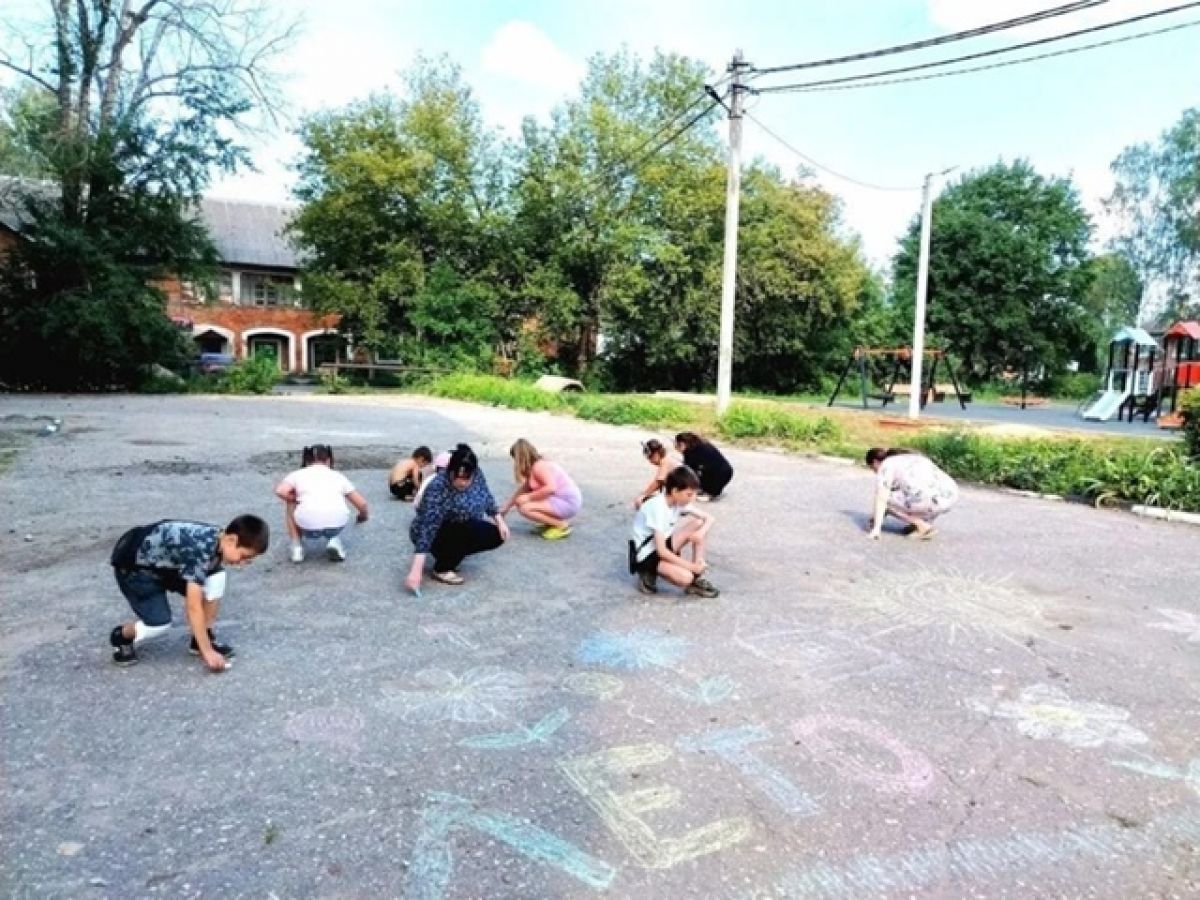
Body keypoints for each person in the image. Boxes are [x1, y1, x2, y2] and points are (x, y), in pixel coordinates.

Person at [107, 515, 270, 670]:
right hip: (135, 569)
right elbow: (193, 606)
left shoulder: (217, 539)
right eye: (243, 556)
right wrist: (208, 653)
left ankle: (201, 638)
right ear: (231, 539)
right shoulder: (200, 550)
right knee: (159, 624)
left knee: (217, 576)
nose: (242, 564)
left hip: (165, 564)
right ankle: (121, 636)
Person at [405, 443, 509, 589]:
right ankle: (442, 568)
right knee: (460, 532)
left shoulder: (477, 474)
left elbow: (486, 497)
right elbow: (427, 527)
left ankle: (451, 554)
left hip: (462, 524)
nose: (461, 482)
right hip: (437, 529)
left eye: (466, 478)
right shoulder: (438, 487)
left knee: (496, 535)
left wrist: (499, 520)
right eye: (457, 477)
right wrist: (416, 571)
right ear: (450, 471)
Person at [630, 465, 720, 599]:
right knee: (685, 577)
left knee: (699, 524)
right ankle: (647, 572)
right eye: (689, 494)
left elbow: (709, 518)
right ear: (675, 491)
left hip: (661, 544)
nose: (693, 498)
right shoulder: (658, 507)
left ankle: (695, 580)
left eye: (695, 494)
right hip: (647, 555)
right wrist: (691, 567)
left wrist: (700, 534)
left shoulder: (677, 501)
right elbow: (662, 552)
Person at [274, 444, 369, 563]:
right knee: (334, 501)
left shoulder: (297, 474)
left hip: (307, 526)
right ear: (328, 460)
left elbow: (280, 491)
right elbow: (362, 504)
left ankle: (296, 546)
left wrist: (294, 498)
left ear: (307, 461)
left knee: (290, 502)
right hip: (336, 525)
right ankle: (334, 541)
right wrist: (363, 516)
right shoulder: (338, 476)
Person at [864, 447, 959, 541]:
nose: (875, 472)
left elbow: (881, 498)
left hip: (930, 499)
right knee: (915, 494)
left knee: (886, 499)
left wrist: (876, 529)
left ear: (875, 462)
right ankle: (922, 523)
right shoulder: (914, 457)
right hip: (952, 495)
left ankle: (923, 527)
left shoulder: (886, 465)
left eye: (873, 468)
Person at [500, 438, 582, 540]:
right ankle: (550, 523)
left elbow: (551, 488)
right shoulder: (534, 467)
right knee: (522, 502)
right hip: (561, 500)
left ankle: (561, 525)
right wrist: (506, 507)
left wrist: (529, 498)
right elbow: (523, 489)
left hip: (567, 503)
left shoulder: (539, 467)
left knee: (525, 508)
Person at [674, 432, 734, 501]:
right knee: (698, 474)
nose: (677, 448)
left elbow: (688, 470)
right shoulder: (698, 445)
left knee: (692, 474)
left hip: (721, 474)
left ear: (684, 444)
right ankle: (706, 489)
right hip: (725, 471)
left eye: (678, 445)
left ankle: (711, 494)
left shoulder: (694, 451)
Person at [634, 439, 685, 508]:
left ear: (656, 454)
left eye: (650, 458)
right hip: (679, 489)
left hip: (681, 492)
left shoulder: (665, 461)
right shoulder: (668, 458)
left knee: (647, 502)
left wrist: (644, 495)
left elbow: (658, 481)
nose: (650, 461)